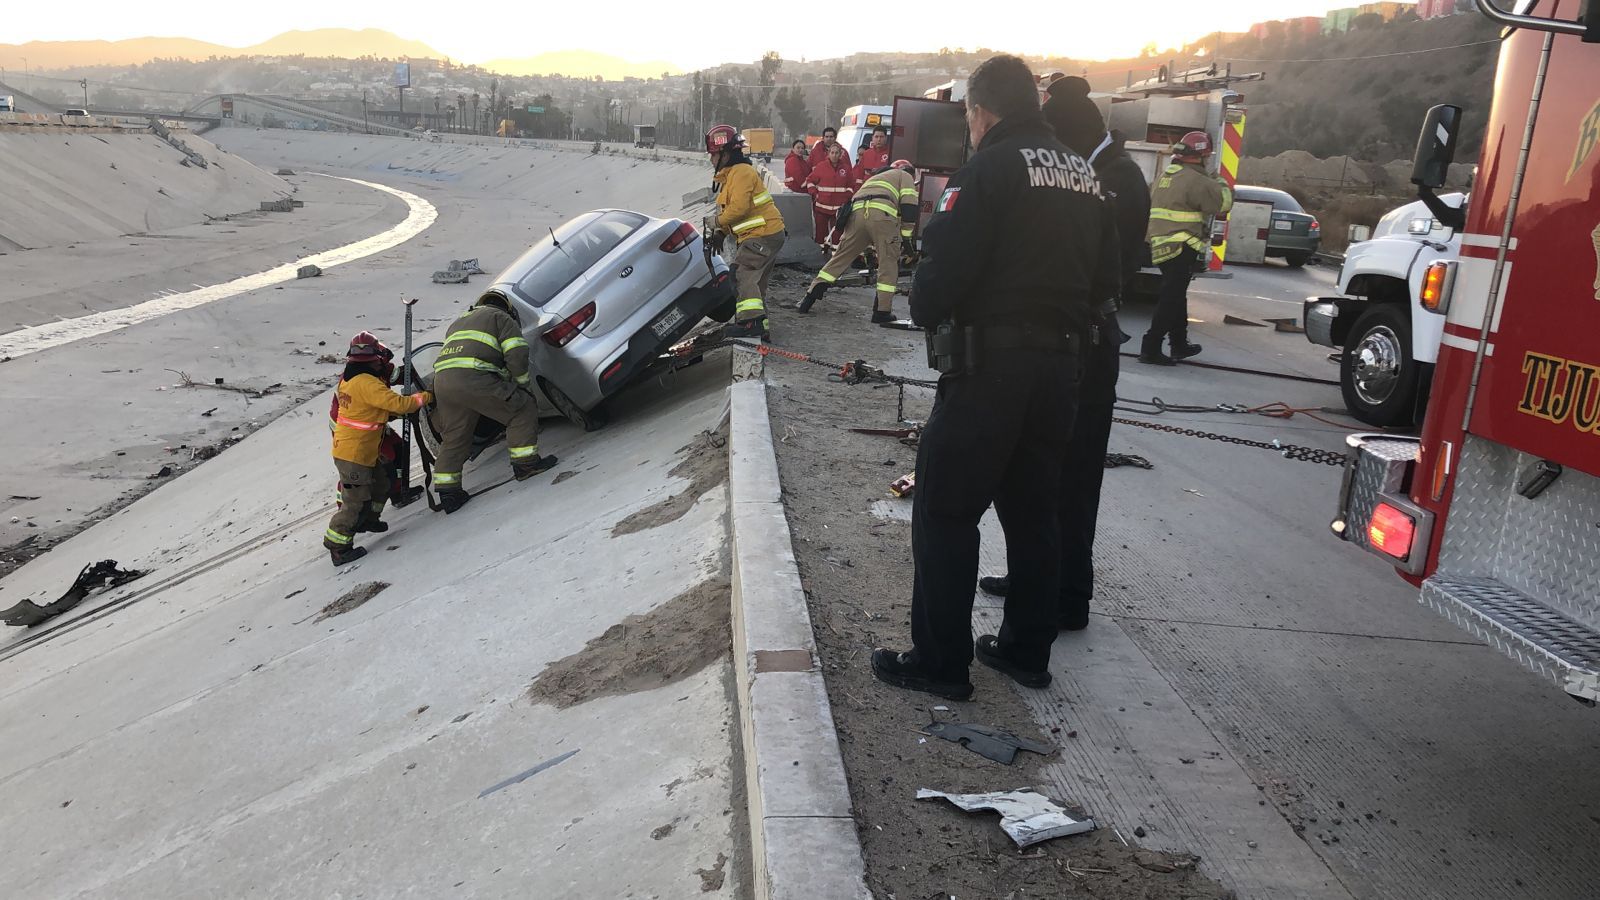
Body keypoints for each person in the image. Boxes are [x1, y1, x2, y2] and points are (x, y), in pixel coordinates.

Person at [870, 55, 1120, 701]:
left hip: (991, 372)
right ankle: (1025, 651)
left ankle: (942, 663)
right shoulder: (1084, 176)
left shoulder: (989, 168)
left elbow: (938, 283)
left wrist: (931, 296)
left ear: (981, 112)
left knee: (945, 511)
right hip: (1061, 370)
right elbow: (1108, 280)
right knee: (1035, 514)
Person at [979, 75, 1151, 630]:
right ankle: (1036, 579)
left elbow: (1101, 273)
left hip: (1089, 346)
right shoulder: (1099, 174)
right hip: (1073, 343)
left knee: (1073, 479)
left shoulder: (1114, 180)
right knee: (1042, 475)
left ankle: (1068, 595)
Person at [430, 290, 557, 512]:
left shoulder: (458, 323)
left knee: (455, 436)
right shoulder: (501, 318)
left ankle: (448, 493)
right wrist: (521, 384)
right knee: (521, 409)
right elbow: (517, 352)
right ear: (507, 308)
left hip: (442, 384)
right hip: (474, 378)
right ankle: (526, 465)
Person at [325, 332, 431, 566]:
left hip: (361, 448)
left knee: (382, 482)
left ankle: (369, 519)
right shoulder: (368, 383)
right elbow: (398, 404)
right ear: (374, 361)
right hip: (354, 453)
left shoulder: (351, 379)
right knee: (355, 499)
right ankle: (339, 545)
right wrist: (426, 397)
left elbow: (371, 408)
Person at [1142, 130, 1232, 365]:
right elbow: (1223, 203)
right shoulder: (1196, 180)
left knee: (1176, 295)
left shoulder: (1166, 175)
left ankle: (1179, 343)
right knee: (1171, 298)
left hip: (1161, 245)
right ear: (1201, 156)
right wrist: (1219, 179)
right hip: (1182, 246)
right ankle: (1151, 347)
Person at [796, 159, 920, 323]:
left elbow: (867, 226)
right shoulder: (905, 176)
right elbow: (909, 206)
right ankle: (882, 312)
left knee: (839, 259)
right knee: (888, 264)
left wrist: (868, 252)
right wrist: (907, 238)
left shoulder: (874, 180)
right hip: (881, 216)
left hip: (855, 214)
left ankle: (808, 299)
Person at [708, 124, 787, 342]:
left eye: (713, 155)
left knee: (741, 273)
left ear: (725, 154)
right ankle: (762, 327)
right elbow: (734, 211)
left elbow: (740, 208)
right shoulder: (732, 176)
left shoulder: (741, 172)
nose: (711, 160)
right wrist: (721, 233)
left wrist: (715, 222)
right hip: (766, 232)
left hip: (762, 232)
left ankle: (750, 324)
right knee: (756, 283)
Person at [804, 143, 856, 248]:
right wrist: (814, 193)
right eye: (832, 152)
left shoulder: (846, 169)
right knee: (820, 234)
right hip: (822, 206)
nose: (834, 155)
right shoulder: (821, 166)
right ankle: (820, 252)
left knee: (837, 234)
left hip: (838, 208)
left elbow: (851, 185)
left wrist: (847, 197)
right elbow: (810, 181)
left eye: (837, 153)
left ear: (841, 154)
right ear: (828, 153)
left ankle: (835, 254)